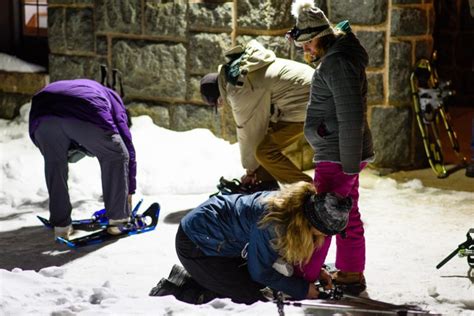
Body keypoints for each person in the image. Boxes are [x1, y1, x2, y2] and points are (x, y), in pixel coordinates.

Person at [287, 0, 375, 295]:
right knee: (346, 213)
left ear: (318, 37)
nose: (305, 50)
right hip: (341, 153)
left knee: (321, 217)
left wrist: (348, 165)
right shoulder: (338, 59)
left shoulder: (337, 62)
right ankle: (349, 272)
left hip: (338, 157)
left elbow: (351, 116)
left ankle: (306, 277)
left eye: (307, 43)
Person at [168, 181, 352, 304]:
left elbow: (278, 251)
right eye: (327, 232)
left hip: (222, 240)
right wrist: (302, 289)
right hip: (196, 243)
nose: (327, 237)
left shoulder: (297, 208)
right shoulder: (274, 223)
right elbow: (260, 272)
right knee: (249, 294)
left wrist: (316, 270)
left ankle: (207, 277)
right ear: (313, 223)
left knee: (266, 280)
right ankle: (180, 285)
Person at [200, 40, 314, 191]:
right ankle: (266, 188)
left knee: (265, 152)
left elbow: (248, 131)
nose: (222, 106)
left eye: (218, 104)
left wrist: (250, 170)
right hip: (310, 89)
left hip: (309, 101)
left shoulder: (237, 89)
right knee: (263, 146)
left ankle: (311, 192)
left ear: (219, 98)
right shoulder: (238, 69)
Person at [29, 78, 137, 239]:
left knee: (55, 163)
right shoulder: (115, 101)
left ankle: (61, 225)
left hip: (41, 111)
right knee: (116, 155)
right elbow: (126, 146)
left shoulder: (89, 87)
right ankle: (118, 221)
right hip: (85, 108)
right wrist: (128, 191)